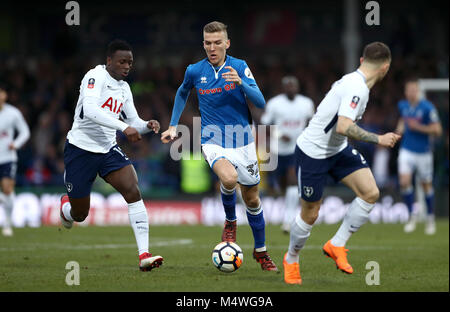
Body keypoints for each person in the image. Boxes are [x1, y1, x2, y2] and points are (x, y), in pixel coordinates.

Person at [161, 21, 278, 271]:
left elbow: (260, 102)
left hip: (244, 141)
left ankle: (261, 251)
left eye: (217, 43)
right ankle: (230, 221)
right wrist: (172, 125)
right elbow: (182, 93)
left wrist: (241, 83)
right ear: (203, 44)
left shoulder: (239, 67)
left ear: (227, 43)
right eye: (207, 43)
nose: (212, 48)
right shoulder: (194, 70)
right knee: (229, 178)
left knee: (252, 199)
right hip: (212, 139)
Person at [283, 42, 401, 284]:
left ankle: (336, 244)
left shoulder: (352, 81)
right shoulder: (357, 88)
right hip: (313, 153)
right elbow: (344, 126)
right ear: (385, 68)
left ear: (361, 60)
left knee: (370, 193)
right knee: (310, 213)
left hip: (337, 149)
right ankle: (291, 259)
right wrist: (379, 138)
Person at [60, 39, 163, 271]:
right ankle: (66, 208)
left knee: (133, 190)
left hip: (107, 149)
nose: (127, 66)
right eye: (122, 61)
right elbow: (91, 110)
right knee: (80, 215)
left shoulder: (124, 88)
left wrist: (147, 125)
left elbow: (133, 120)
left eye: (130, 62)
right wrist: (123, 128)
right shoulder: (95, 77)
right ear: (109, 61)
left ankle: (144, 254)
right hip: (80, 149)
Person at [260, 76, 315, 234]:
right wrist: (279, 134)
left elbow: (312, 122)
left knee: (292, 182)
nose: (291, 88)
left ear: (297, 87)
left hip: (296, 149)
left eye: (293, 86)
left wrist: (306, 136)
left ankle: (288, 221)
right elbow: (265, 125)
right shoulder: (274, 104)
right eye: (288, 86)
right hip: (277, 151)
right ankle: (289, 212)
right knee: (283, 186)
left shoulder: (306, 103)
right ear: (283, 88)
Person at [395, 78, 442, 235]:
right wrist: (399, 131)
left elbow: (437, 130)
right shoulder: (403, 106)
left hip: (424, 152)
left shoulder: (428, 108)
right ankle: (412, 216)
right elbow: (403, 120)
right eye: (409, 90)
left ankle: (430, 218)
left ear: (419, 91)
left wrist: (419, 127)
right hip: (406, 150)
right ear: (405, 92)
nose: (411, 93)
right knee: (404, 181)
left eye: (414, 90)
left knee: (425, 185)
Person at [0, 84, 30, 237]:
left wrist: (16, 144)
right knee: (5, 194)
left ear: (5, 95)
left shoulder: (13, 113)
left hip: (7, 158)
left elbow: (25, 131)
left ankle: (7, 222)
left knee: (7, 189)